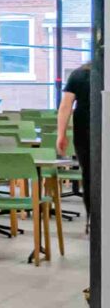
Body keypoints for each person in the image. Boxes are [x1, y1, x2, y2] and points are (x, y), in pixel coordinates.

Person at [59, 54, 95, 231]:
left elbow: (65, 106)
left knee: (89, 176)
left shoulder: (79, 74)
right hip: (96, 129)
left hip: (84, 131)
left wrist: (61, 134)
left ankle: (92, 218)